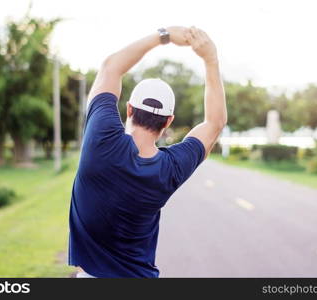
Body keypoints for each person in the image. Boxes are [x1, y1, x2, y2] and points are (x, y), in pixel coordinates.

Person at [68, 26, 227, 278]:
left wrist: (162, 36)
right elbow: (215, 123)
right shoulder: (171, 168)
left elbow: (111, 67)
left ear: (129, 109)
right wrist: (210, 59)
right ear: (168, 122)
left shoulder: (101, 141)